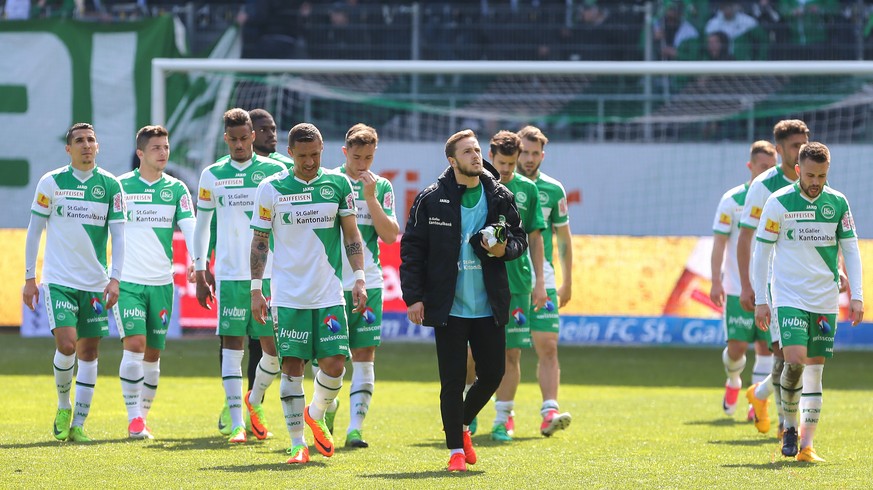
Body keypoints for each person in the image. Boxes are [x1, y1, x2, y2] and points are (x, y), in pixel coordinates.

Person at [400, 129, 527, 472]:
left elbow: (519, 239)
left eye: (475, 149)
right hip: (449, 306)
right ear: (451, 160)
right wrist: (413, 298)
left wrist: (504, 249)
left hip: (489, 305)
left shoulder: (500, 195)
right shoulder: (430, 198)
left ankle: (461, 424)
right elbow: (412, 250)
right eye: (467, 151)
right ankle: (456, 451)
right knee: (452, 381)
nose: (475, 155)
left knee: (493, 373)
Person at [249, 122, 367, 464]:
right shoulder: (271, 188)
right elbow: (259, 241)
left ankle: (316, 413)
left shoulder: (338, 184)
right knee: (292, 366)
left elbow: (351, 233)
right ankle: (298, 442)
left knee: (334, 365)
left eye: (315, 154)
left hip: (329, 292)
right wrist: (257, 289)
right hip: (288, 295)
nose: (311, 161)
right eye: (303, 156)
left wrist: (359, 277)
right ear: (290, 154)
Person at [752, 141, 863, 462]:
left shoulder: (838, 202)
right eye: (811, 175)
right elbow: (762, 252)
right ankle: (788, 426)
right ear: (798, 171)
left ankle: (807, 445)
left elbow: (852, 250)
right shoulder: (778, 202)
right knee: (795, 360)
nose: (816, 182)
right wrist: (762, 299)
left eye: (822, 176)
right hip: (788, 295)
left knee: (815, 371)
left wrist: (857, 295)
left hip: (825, 297)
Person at [23, 122, 126, 442]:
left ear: (98, 147)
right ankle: (64, 405)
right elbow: (34, 231)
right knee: (67, 345)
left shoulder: (110, 185)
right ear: (68, 148)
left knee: (90, 351)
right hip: (58, 281)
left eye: (91, 140)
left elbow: (120, 236)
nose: (86, 145)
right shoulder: (51, 182)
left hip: (95, 283)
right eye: (79, 140)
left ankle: (79, 424)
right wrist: (30, 278)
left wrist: (115, 280)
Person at [193, 108, 286, 444]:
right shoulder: (212, 175)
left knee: (273, 352)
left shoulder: (274, 172)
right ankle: (236, 424)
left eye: (244, 138)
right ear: (225, 139)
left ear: (253, 135)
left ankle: (255, 399)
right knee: (231, 346)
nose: (239, 144)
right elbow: (202, 225)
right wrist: (200, 268)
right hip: (231, 275)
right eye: (232, 139)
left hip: (270, 275)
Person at [113, 125, 196, 439]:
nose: (163, 153)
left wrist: (197, 263)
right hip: (129, 282)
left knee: (153, 355)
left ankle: (142, 417)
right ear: (140, 154)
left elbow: (190, 226)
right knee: (134, 345)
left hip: (161, 283)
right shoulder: (119, 187)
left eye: (166, 147)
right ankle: (133, 417)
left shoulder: (176, 190)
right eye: (156, 148)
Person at [318, 123, 398, 448]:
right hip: (329, 285)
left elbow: (391, 236)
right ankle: (328, 407)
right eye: (357, 156)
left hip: (370, 282)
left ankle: (355, 429)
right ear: (344, 152)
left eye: (368, 157)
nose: (363, 163)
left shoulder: (382, 187)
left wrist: (370, 198)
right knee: (329, 360)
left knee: (365, 354)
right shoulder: (328, 182)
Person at [737, 119, 808, 437]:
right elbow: (745, 238)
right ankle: (785, 423)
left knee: (790, 354)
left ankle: (761, 394)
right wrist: (746, 285)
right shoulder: (763, 186)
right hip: (773, 281)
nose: (802, 150)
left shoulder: (813, 179)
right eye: (795, 145)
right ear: (779, 150)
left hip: (806, 280)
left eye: (805, 142)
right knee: (787, 353)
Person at [486, 130, 546, 442]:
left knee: (511, 355)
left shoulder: (528, 190)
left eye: (511, 163)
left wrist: (540, 283)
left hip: (518, 282)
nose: (507, 169)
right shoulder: (477, 185)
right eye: (501, 162)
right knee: (472, 355)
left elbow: (535, 238)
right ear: (491, 157)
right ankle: (467, 415)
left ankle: (501, 420)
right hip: (480, 282)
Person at [710, 140, 776, 419]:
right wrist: (715, 280)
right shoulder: (732, 200)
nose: (767, 173)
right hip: (738, 286)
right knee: (736, 348)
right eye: (762, 167)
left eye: (771, 168)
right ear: (750, 166)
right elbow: (720, 243)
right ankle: (734, 380)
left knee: (766, 346)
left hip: (771, 287)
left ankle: (755, 402)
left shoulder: (778, 199)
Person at [516, 125, 573, 437]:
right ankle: (501, 412)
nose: (529, 158)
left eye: (535, 153)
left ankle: (549, 410)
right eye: (524, 152)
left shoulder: (553, 190)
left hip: (544, 279)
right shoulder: (503, 184)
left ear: (543, 155)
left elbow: (563, 240)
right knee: (503, 352)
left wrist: (568, 281)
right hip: (509, 278)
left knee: (548, 345)